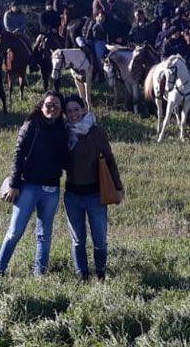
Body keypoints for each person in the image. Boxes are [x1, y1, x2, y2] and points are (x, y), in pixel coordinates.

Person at [0, 92, 70, 276]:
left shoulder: (64, 130)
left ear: (61, 111)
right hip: (29, 186)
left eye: (56, 106)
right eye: (48, 105)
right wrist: (13, 184)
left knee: (44, 236)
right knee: (15, 232)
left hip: (51, 189)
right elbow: (18, 155)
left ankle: (40, 274)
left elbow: (67, 159)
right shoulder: (31, 126)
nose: (51, 109)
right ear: (41, 106)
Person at [61, 95, 122, 281]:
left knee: (100, 240)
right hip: (72, 195)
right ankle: (82, 275)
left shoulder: (96, 132)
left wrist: (118, 187)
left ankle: (101, 274)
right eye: (69, 111)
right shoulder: (64, 133)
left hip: (96, 194)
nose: (73, 114)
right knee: (78, 240)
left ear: (84, 109)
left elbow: (110, 159)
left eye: (76, 110)